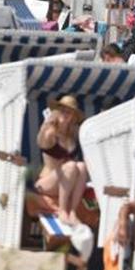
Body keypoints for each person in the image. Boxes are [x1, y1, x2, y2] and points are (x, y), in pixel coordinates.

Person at [33, 95, 88, 226]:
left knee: (81, 166)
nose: (65, 114)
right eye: (62, 110)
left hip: (66, 181)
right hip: (46, 183)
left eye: (69, 112)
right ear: (57, 112)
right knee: (71, 166)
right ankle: (63, 211)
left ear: (74, 117)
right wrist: (47, 123)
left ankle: (72, 212)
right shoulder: (50, 132)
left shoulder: (72, 136)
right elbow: (40, 141)